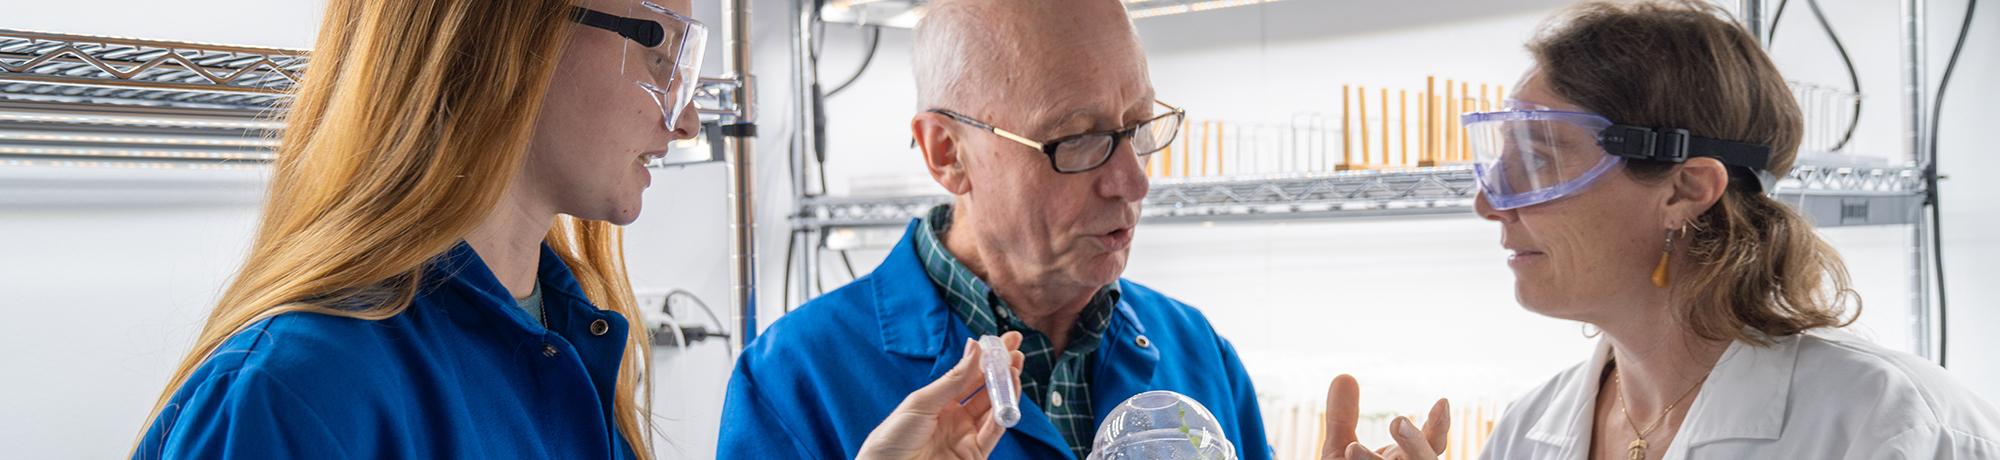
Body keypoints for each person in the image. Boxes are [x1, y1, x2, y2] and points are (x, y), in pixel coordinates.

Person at [129, 0, 1021, 458]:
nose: (684, 123)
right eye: (660, 48)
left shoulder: (564, 338)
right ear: (507, 29)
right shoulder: (294, 398)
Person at [1325, 1, 2000, 459]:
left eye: (1540, 159)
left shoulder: (1887, 423)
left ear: (1686, 189)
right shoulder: (1529, 428)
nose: (1490, 203)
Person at [716, 0, 1272, 458]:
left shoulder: (1196, 349)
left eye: (1138, 126)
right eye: (1076, 139)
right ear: (947, 153)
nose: (1131, 181)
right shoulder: (794, 382)